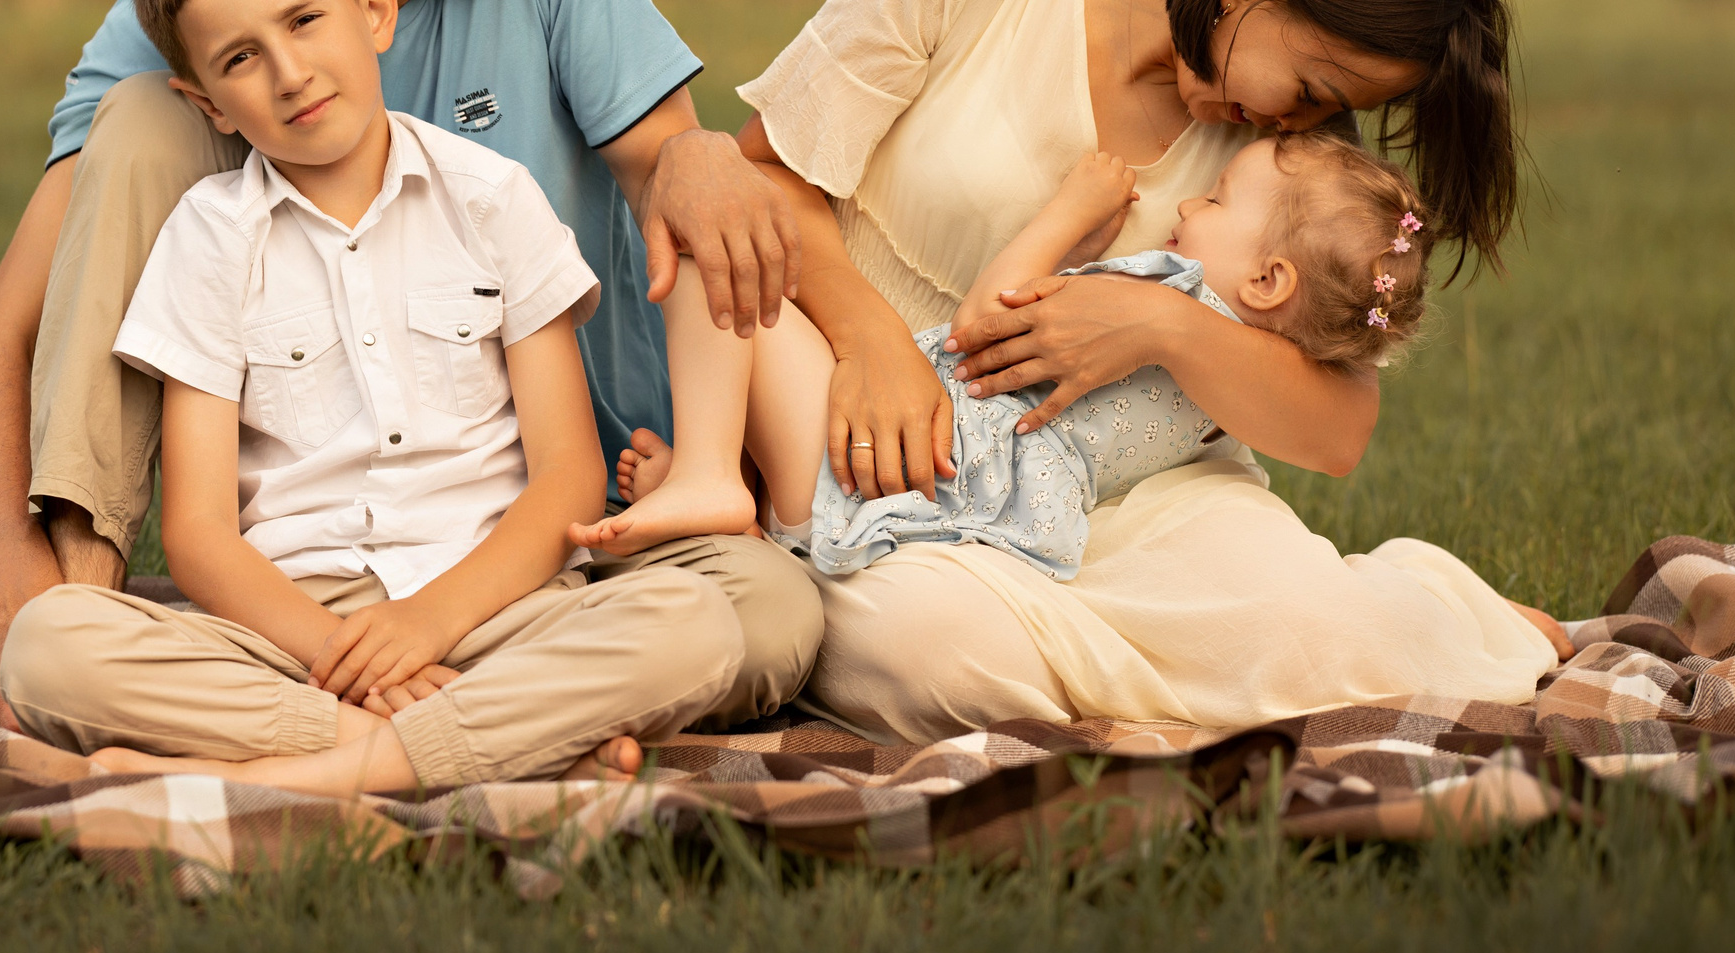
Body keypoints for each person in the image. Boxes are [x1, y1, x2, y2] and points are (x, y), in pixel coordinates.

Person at [0, 0, 820, 734]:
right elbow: (11, 333)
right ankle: (482, 729)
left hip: (573, 513)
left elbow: (674, 173)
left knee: (772, 618)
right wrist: (16, 581)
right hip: (308, 570)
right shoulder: (201, 1)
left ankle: (351, 747)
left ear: (370, 12)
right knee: (133, 126)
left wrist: (699, 154)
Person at [717, 0, 1561, 742]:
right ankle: (1163, 684)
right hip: (896, 461)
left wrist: (1161, 323)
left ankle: (1396, 613)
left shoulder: (1289, 151)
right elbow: (763, 176)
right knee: (930, 648)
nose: (1302, 125)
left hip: (1139, 495)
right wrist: (870, 340)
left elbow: (1338, 425)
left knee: (1316, 633)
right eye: (1312, 90)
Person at [0, 0, 740, 791]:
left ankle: (320, 773)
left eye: (305, 21)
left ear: (374, 9)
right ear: (211, 106)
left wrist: (422, 629)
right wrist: (347, 651)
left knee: (694, 621)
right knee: (51, 646)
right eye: (241, 58)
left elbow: (567, 477)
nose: (290, 73)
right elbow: (198, 533)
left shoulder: (493, 197)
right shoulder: (206, 235)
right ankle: (480, 745)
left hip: (496, 605)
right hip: (297, 633)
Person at [579, 136, 1567, 669]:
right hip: (951, 490)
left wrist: (1068, 218)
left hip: (918, 442)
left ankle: (712, 479)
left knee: (726, 266)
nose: (1187, 206)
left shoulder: (1163, 299)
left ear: (1265, 281)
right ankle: (728, 495)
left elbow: (983, 321)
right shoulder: (1239, 382)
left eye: (1216, 200)